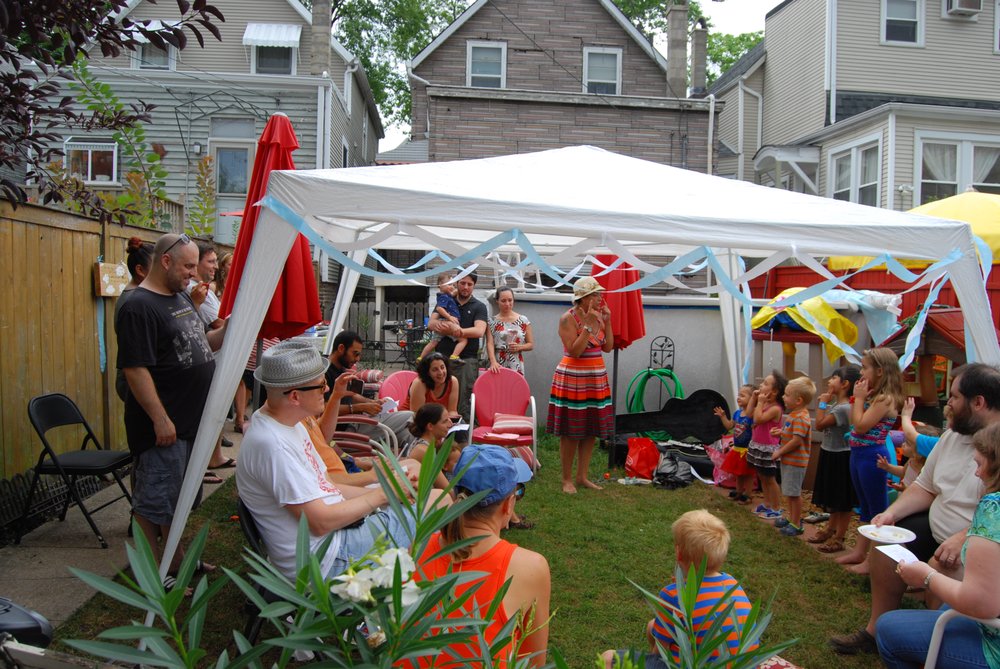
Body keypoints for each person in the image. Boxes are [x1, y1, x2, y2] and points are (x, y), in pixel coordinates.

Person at [237, 340, 449, 580]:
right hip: (325, 559)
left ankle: (402, 581)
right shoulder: (273, 445)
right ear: (295, 396)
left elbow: (328, 485)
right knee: (439, 501)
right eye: (320, 385)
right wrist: (383, 493)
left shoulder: (286, 423)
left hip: (333, 540)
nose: (326, 390)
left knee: (424, 496)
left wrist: (393, 496)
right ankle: (398, 591)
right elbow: (320, 522)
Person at [830, 363, 1000, 655]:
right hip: (935, 527)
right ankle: (876, 630)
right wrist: (891, 515)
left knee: (944, 564)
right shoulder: (952, 436)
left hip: (973, 544)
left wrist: (963, 537)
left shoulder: (996, 446)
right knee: (886, 544)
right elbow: (925, 486)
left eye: (955, 397)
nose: (948, 405)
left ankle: (934, 646)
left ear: (979, 402)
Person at [116, 233, 227, 584]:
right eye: (188, 266)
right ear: (165, 261)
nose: (194, 275)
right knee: (153, 504)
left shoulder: (178, 296)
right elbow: (135, 368)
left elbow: (198, 345)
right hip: (165, 427)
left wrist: (233, 329)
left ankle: (177, 561)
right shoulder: (138, 305)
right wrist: (160, 419)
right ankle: (152, 577)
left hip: (190, 422)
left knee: (176, 503)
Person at [875, 421, 1000, 669]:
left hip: (992, 644)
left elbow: (981, 603)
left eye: (979, 464)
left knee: (888, 628)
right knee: (943, 607)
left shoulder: (992, 509)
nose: (976, 473)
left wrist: (926, 576)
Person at [412, 444, 549, 668]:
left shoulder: (418, 546)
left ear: (456, 495)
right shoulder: (529, 567)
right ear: (508, 505)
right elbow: (533, 661)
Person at [600, 510, 755, 669]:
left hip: (697, 665)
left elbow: (661, 650)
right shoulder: (732, 584)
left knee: (607, 659)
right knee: (653, 626)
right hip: (742, 664)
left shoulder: (675, 594)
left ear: (678, 553)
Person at [836, 347, 904, 574]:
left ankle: (873, 561)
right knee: (865, 507)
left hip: (871, 457)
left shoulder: (885, 399)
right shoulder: (876, 396)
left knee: (877, 510)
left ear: (880, 371)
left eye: (865, 367)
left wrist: (859, 399)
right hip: (858, 455)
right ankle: (859, 551)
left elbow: (860, 425)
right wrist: (862, 399)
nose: (862, 372)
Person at [548, 276, 614, 494]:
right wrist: (587, 326)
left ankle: (582, 476)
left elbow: (608, 347)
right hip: (573, 377)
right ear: (583, 298)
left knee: (591, 428)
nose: (600, 298)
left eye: (599, 294)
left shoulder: (600, 317)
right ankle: (567, 479)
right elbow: (575, 351)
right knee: (572, 430)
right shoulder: (567, 319)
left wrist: (608, 321)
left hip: (595, 377)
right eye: (595, 295)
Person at [324, 330, 414, 451]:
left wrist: (372, 403)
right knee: (410, 415)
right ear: (341, 348)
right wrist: (360, 407)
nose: (357, 359)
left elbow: (352, 395)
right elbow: (324, 409)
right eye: (355, 354)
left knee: (408, 435)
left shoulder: (340, 370)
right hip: (346, 429)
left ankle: (422, 464)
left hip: (358, 422)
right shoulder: (324, 373)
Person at [810, 365, 861, 554]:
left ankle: (839, 537)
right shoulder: (838, 405)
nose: (830, 381)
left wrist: (822, 402)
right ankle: (830, 529)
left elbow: (821, 425)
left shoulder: (844, 408)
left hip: (841, 456)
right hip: (830, 452)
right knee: (833, 496)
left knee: (842, 499)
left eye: (834, 378)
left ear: (845, 384)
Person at [426, 272, 487, 421]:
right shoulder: (445, 300)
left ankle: (462, 439)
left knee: (462, 402)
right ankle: (440, 438)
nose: (465, 287)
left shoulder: (479, 306)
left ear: (474, 286)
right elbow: (431, 324)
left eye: (469, 284)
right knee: (438, 399)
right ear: (457, 283)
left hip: (466, 361)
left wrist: (456, 331)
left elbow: (479, 331)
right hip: (441, 360)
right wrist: (447, 327)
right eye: (462, 283)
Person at [772, 376, 816, 536]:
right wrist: (782, 432)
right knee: (789, 492)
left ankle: (796, 524)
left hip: (796, 463)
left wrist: (779, 452)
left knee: (794, 494)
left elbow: (797, 441)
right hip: (790, 461)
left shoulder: (801, 417)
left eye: (787, 395)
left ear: (798, 400)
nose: (783, 397)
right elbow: (793, 434)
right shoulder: (794, 414)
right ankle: (791, 518)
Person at [114, 237, 153, 402]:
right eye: (157, 267)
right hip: (134, 385)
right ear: (140, 270)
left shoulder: (140, 297)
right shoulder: (133, 304)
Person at [746, 371, 787, 519]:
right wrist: (753, 398)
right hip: (757, 445)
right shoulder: (764, 404)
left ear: (774, 391)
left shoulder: (775, 408)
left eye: (765, 384)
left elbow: (758, 419)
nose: (761, 385)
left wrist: (760, 402)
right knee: (762, 477)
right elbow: (749, 414)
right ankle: (767, 503)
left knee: (770, 479)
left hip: (768, 449)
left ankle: (776, 508)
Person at [715, 384, 755, 504]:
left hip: (747, 450)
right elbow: (729, 426)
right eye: (739, 395)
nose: (739, 397)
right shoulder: (737, 413)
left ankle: (748, 494)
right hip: (737, 449)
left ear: (752, 399)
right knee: (738, 473)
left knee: (748, 474)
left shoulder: (752, 415)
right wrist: (723, 416)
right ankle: (738, 491)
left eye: (743, 395)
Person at [486, 287, 534, 375]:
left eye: (510, 300)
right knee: (498, 388)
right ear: (497, 301)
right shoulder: (491, 321)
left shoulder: (523, 320)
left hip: (516, 363)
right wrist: (493, 362)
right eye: (503, 301)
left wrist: (520, 347)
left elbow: (530, 344)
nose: (507, 304)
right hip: (497, 363)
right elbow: (490, 343)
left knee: (515, 388)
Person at [402, 352, 462, 422]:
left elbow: (452, 411)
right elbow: (417, 416)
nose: (440, 372)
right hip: (410, 421)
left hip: (438, 420)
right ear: (427, 373)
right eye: (435, 370)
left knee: (461, 429)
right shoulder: (420, 383)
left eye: (442, 367)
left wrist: (453, 419)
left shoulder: (453, 381)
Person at [420, 273, 467, 361]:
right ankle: (454, 356)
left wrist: (458, 288)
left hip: (443, 322)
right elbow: (439, 308)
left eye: (453, 285)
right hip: (447, 321)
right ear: (441, 286)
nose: (452, 287)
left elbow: (454, 293)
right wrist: (449, 317)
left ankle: (421, 357)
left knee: (434, 342)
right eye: (449, 284)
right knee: (463, 340)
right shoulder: (443, 297)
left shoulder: (446, 295)